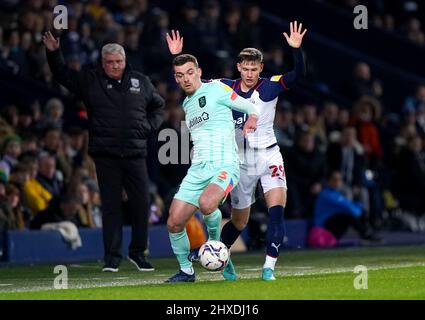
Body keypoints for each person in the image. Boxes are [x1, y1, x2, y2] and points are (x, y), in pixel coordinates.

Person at [166, 21, 307, 281]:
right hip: (241, 159)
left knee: (276, 209)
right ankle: (221, 252)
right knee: (240, 221)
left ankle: (268, 268)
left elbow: (297, 76)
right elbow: (194, 79)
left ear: (260, 68)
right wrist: (177, 55)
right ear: (239, 68)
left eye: (254, 68)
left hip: (268, 155)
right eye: (246, 68)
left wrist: (296, 50)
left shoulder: (270, 85)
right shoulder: (225, 86)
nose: (250, 73)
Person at [42, 31, 165, 272]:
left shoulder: (141, 82)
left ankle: (139, 253)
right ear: (102, 63)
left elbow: (158, 107)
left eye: (118, 61)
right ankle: (112, 257)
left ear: (124, 60)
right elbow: (62, 75)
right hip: (106, 155)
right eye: (109, 62)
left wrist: (149, 127)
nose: (114, 66)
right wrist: (54, 52)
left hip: (135, 153)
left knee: (142, 204)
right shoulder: (91, 81)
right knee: (111, 207)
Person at [165, 54, 259, 282]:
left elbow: (247, 105)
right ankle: (186, 271)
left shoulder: (216, 89)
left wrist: (253, 117)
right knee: (174, 222)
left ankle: (217, 248)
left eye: (190, 72)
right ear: (176, 79)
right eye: (180, 75)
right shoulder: (187, 103)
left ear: (199, 71)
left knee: (207, 204)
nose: (186, 79)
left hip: (225, 163)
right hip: (198, 168)